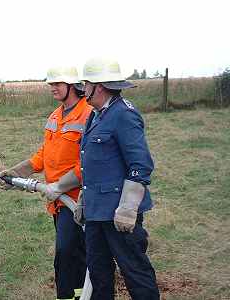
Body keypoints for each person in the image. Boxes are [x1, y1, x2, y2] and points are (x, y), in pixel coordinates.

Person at [0, 66, 93, 300]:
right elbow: (43, 154)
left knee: (66, 253)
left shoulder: (89, 114)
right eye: (51, 83)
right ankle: (81, 294)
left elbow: (89, 161)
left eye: (58, 83)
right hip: (57, 202)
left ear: (73, 86)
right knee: (72, 254)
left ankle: (74, 295)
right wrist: (15, 172)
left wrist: (60, 187)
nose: (53, 87)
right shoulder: (55, 116)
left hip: (77, 201)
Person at [75, 58, 160, 299]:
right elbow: (94, 164)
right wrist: (85, 199)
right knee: (99, 274)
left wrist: (128, 207)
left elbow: (140, 165)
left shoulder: (124, 114)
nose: (83, 88)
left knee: (135, 272)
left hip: (118, 215)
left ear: (99, 86)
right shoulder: (96, 115)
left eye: (86, 83)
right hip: (95, 214)